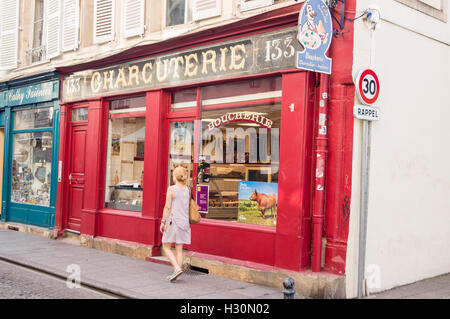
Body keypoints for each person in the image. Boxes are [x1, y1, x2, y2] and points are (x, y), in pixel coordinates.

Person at [160, 166, 191, 282]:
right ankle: (177, 275)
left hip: (173, 221)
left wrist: (163, 221)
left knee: (166, 246)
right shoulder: (188, 189)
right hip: (184, 222)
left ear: (175, 176)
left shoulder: (171, 189)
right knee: (179, 248)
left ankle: (177, 269)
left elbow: (167, 207)